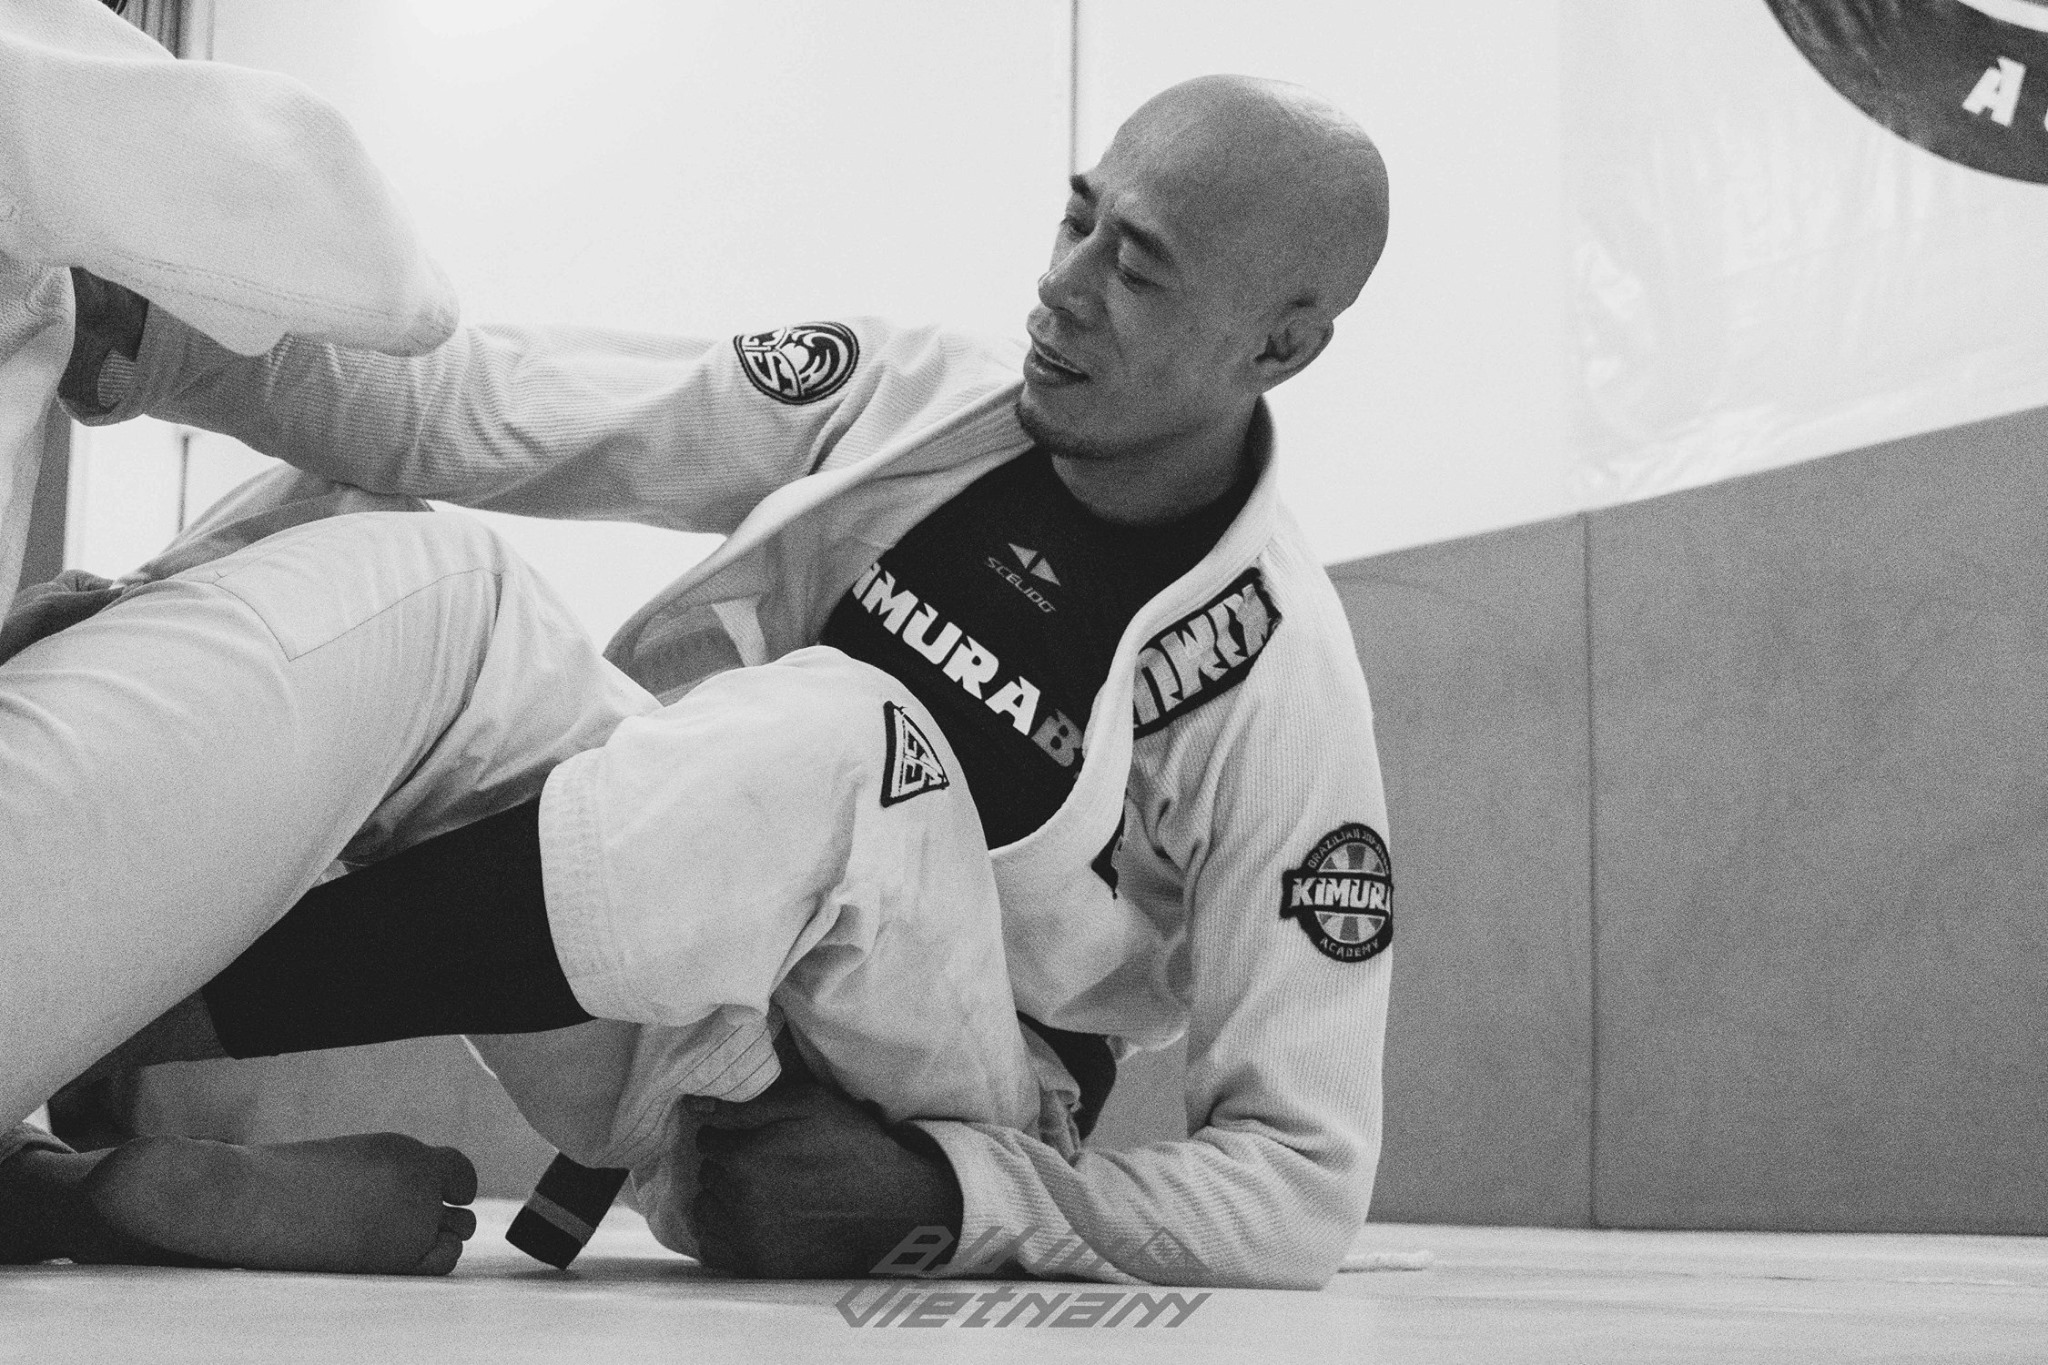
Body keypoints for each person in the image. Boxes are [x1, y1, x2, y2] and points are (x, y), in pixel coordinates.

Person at [51, 73, 1398, 1289]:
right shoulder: (915, 398)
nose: (1063, 284)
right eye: (1077, 220)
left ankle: (121, 1028)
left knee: (850, 736)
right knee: (427, 582)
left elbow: (1300, 1182)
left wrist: (945, 1195)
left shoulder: (1280, 689)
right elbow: (508, 409)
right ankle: (63, 1012)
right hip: (661, 1002)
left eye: (1139, 268)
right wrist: (157, 340)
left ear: (1279, 347)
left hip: (881, 1124)